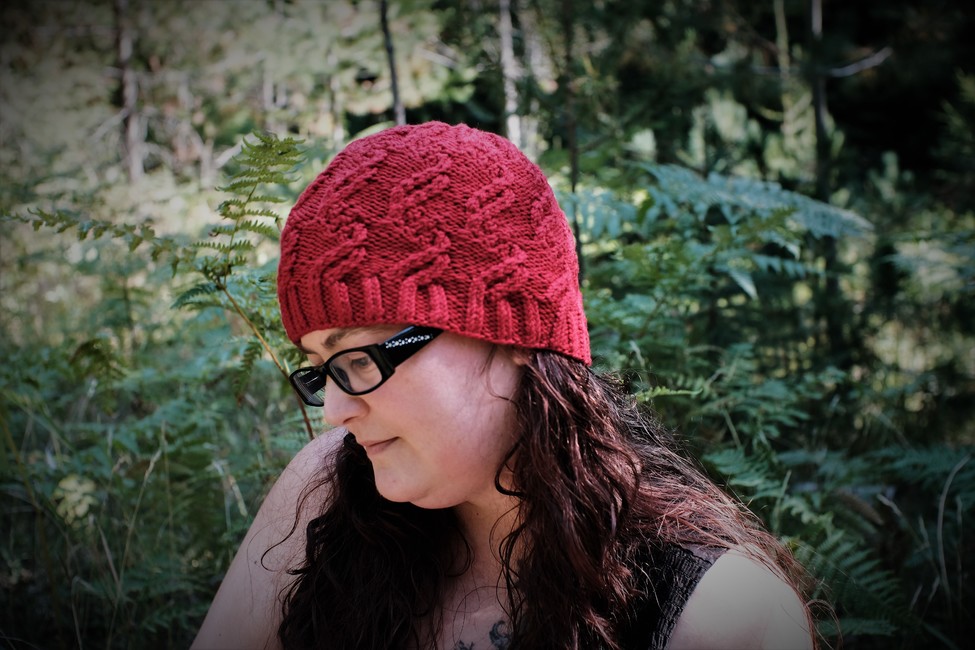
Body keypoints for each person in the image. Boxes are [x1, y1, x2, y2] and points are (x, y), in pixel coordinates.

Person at [192, 121, 817, 650]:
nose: (333, 411)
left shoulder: (720, 615)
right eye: (320, 368)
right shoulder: (324, 493)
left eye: (358, 358)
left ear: (513, 333)